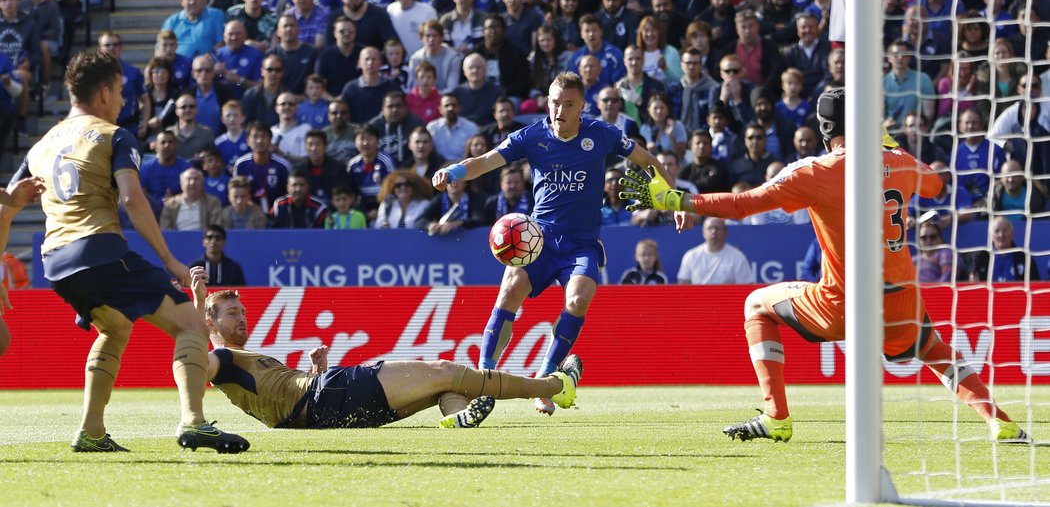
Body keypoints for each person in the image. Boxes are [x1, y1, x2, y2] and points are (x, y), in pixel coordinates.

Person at [618, 87, 1030, 443]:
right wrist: (892, 145)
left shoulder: (817, 172)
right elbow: (937, 185)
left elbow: (746, 203)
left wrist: (679, 200)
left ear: (823, 129)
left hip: (843, 303)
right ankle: (1000, 422)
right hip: (901, 299)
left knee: (757, 305)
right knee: (934, 350)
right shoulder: (901, 163)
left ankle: (775, 417)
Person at [0, 50, 247, 452]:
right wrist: (170, 261)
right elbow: (132, 199)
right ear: (102, 93)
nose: (121, 101)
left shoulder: (40, 146)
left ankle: (91, 431)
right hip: (96, 248)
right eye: (117, 92)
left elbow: (6, 208)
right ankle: (195, 422)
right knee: (191, 324)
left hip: (55, 262)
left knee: (115, 327)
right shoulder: (114, 135)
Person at [432, 71, 672, 414]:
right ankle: (483, 381)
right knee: (509, 290)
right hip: (539, 239)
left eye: (568, 104)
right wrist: (453, 171)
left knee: (579, 297)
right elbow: (484, 163)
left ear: (582, 107)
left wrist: (675, 200)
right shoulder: (531, 136)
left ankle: (545, 380)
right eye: (555, 103)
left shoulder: (601, 134)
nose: (559, 111)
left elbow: (647, 160)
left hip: (581, 243)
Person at [190, 269, 582, 429]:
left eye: (243, 311)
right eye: (231, 314)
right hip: (328, 396)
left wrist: (316, 369)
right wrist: (196, 304)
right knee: (445, 369)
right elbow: (193, 359)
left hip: (323, 411)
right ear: (210, 324)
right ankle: (552, 386)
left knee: (442, 388)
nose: (242, 319)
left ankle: (459, 416)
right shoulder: (221, 360)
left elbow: (283, 400)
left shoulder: (241, 362)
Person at [964, 216, 1042, 283]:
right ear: (991, 235)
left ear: (1012, 233)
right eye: (997, 231)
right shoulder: (978, 258)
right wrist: (972, 282)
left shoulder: (1025, 259)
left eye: (1005, 230)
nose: (1001, 235)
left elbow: (1034, 285)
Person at [676, 217, 752, 284]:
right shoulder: (691, 256)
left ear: (726, 232)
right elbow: (683, 283)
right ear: (703, 232)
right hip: (698, 299)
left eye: (717, 228)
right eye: (710, 228)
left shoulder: (738, 257)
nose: (714, 231)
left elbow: (746, 286)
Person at [159, 167, 224, 231]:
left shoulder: (212, 202)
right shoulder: (170, 204)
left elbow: (215, 229)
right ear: (181, 184)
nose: (192, 182)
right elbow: (165, 230)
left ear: (202, 184)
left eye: (196, 179)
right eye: (189, 179)